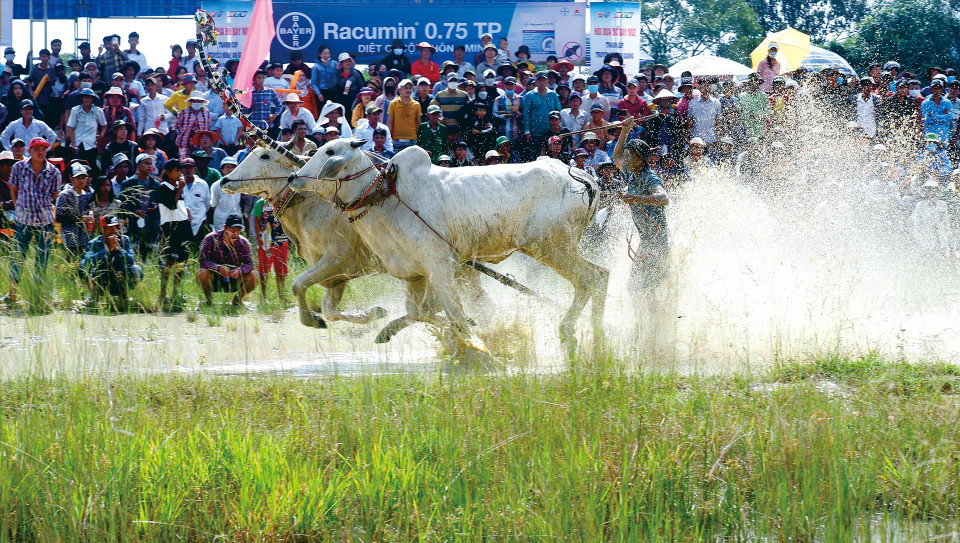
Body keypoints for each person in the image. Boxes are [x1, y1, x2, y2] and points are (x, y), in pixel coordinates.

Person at [4, 138, 62, 303]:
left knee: (42, 259)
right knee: (17, 257)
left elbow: (54, 195)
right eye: (36, 148)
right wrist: (18, 206)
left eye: (43, 148)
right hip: (23, 220)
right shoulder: (18, 167)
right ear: (30, 151)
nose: (40, 151)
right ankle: (12, 294)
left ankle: (38, 294)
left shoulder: (54, 172)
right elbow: (13, 189)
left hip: (45, 221)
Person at [79, 214, 142, 310]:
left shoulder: (124, 240)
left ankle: (124, 297)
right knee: (83, 265)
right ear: (102, 229)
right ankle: (94, 297)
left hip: (119, 277)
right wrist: (107, 250)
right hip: (101, 279)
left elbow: (131, 260)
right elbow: (88, 260)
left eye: (116, 228)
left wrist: (119, 250)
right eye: (110, 228)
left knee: (136, 269)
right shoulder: (94, 243)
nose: (114, 231)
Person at [198, 214, 257, 308]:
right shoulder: (210, 238)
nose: (236, 233)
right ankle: (208, 300)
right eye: (233, 230)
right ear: (225, 227)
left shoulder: (243, 242)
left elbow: (250, 264)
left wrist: (239, 270)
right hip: (215, 278)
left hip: (234, 278)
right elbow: (203, 261)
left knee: (255, 275)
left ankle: (238, 299)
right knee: (202, 272)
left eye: (238, 230)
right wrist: (218, 268)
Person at [156, 159, 190, 311]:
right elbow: (171, 205)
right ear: (168, 172)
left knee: (181, 261)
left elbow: (178, 206)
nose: (179, 174)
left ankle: (176, 292)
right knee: (169, 260)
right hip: (170, 229)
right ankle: (163, 293)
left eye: (180, 171)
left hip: (180, 226)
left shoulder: (177, 186)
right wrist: (180, 190)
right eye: (176, 170)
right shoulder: (164, 187)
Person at [119, 153, 161, 256]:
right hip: (134, 225)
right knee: (135, 253)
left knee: (151, 253)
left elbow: (160, 202)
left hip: (151, 224)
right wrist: (134, 211)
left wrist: (156, 206)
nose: (149, 166)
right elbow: (122, 205)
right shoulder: (127, 183)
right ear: (138, 165)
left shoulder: (155, 184)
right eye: (146, 163)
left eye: (151, 164)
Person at [252, 194, 290, 303]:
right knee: (263, 271)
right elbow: (256, 221)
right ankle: (263, 298)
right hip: (266, 241)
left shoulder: (283, 200)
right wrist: (259, 239)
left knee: (281, 270)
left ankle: (282, 297)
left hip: (282, 240)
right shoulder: (260, 203)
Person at [56, 162, 94, 257]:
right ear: (71, 179)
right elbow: (59, 217)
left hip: (84, 236)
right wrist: (80, 219)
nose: (81, 181)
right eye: (78, 178)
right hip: (70, 237)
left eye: (83, 178)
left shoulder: (87, 195)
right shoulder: (65, 195)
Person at [66, 88, 107, 172]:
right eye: (85, 97)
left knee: (90, 169)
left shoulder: (98, 111)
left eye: (89, 97)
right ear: (82, 98)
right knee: (75, 168)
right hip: (77, 143)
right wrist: (73, 144)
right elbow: (71, 128)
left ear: (92, 99)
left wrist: (101, 135)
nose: (87, 99)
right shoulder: (75, 110)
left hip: (91, 145)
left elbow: (104, 125)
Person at [523, 73, 562, 160]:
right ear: (535, 82)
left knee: (551, 158)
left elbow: (558, 111)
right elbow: (526, 114)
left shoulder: (553, 94)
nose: (541, 82)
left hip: (550, 132)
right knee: (534, 158)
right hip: (535, 132)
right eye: (539, 80)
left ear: (547, 81)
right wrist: (527, 131)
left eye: (544, 80)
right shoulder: (530, 95)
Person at [175, 91, 212, 160]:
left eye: (198, 101)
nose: (196, 102)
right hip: (185, 142)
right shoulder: (184, 112)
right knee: (184, 161)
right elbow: (178, 125)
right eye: (194, 101)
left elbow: (208, 126)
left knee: (200, 161)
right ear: (191, 101)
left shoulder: (206, 113)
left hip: (201, 144)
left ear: (202, 102)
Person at [387, 79, 422, 153]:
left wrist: (417, 137)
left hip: (412, 140)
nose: (408, 90)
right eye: (406, 88)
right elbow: (390, 121)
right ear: (400, 90)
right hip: (396, 140)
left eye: (410, 88)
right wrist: (389, 138)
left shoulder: (416, 104)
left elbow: (418, 122)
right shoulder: (393, 104)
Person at [210, 158, 243, 231]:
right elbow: (213, 205)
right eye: (227, 167)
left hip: (237, 221)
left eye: (232, 167)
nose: (230, 169)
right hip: (221, 221)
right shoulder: (216, 185)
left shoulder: (240, 184)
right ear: (222, 170)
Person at [687, 79, 722, 149]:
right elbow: (689, 120)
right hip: (696, 138)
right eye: (703, 86)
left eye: (707, 86)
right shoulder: (693, 103)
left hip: (711, 138)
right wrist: (688, 135)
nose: (706, 89)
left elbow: (718, 121)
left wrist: (719, 136)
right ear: (699, 88)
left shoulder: (716, 102)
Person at [921, 79, 953, 144]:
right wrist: (942, 116)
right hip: (930, 133)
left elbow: (949, 117)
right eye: (934, 88)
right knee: (929, 152)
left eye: (939, 88)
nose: (937, 90)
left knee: (943, 153)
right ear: (931, 89)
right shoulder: (925, 103)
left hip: (943, 134)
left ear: (942, 89)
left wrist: (933, 115)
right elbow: (926, 119)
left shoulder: (947, 102)